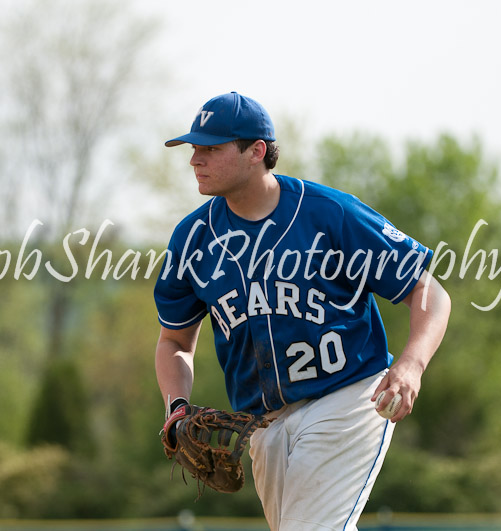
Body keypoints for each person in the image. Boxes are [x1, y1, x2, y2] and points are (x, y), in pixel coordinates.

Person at [154, 92, 450, 530]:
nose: (196, 159)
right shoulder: (192, 239)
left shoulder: (329, 214)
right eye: (194, 148)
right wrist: (176, 405)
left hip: (347, 396)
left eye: (211, 148)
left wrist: (411, 364)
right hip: (264, 423)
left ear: (256, 151)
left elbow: (429, 292)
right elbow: (175, 341)